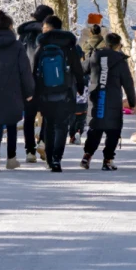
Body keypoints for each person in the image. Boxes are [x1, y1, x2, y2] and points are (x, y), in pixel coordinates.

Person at [0, 12, 34, 171]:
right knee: (11, 125)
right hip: (14, 91)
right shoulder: (17, 46)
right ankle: (11, 158)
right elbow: (25, 70)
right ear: (10, 27)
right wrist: (29, 91)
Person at [33, 13, 85, 171]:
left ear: (48, 28)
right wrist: (80, 87)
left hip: (45, 93)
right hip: (66, 91)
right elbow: (78, 69)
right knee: (62, 126)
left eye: (44, 27)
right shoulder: (70, 46)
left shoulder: (41, 46)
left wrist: (34, 92)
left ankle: (49, 159)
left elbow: (34, 70)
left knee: (49, 125)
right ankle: (57, 159)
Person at [81, 31, 135, 170]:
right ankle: (108, 160)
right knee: (113, 130)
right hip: (113, 101)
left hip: (97, 98)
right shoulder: (120, 61)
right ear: (118, 45)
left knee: (95, 128)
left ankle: (87, 155)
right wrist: (132, 102)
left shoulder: (95, 56)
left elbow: (81, 69)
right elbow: (128, 83)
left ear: (105, 43)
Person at [17, 4, 53, 161]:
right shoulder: (49, 34)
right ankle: (43, 142)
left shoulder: (24, 35)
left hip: (26, 80)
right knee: (48, 114)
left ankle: (29, 151)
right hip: (46, 79)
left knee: (29, 116)